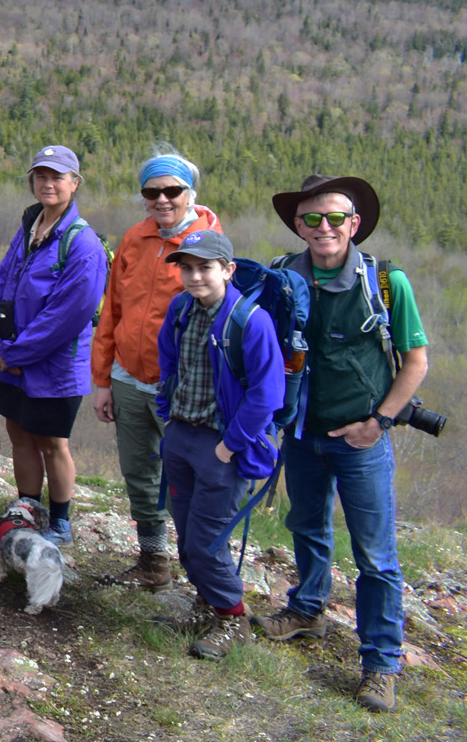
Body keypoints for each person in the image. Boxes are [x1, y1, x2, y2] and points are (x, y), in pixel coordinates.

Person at [252, 175, 429, 715]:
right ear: (298, 225)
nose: (323, 228)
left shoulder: (386, 282)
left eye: (335, 218)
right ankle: (307, 610)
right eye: (311, 219)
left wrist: (378, 422)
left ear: (354, 224)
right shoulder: (282, 278)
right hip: (301, 435)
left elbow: (415, 361)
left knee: (376, 556)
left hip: (361, 440)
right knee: (306, 526)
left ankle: (380, 663)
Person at [92, 147, 222, 588]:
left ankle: (204, 576)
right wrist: (102, 379)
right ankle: (153, 562)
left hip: (182, 389)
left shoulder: (208, 244)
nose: (162, 200)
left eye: (172, 190)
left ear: (190, 192)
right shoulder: (134, 239)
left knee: (187, 480)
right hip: (128, 378)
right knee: (138, 473)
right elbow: (112, 310)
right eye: (152, 192)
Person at [152, 230, 283, 661]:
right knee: (187, 534)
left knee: (207, 540)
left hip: (221, 446)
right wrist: (167, 412)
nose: (194, 277)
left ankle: (233, 618)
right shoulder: (180, 310)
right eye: (186, 268)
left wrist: (229, 447)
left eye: (205, 268)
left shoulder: (251, 320)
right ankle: (207, 604)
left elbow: (267, 394)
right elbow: (169, 362)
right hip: (181, 436)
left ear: (228, 270)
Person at [0, 145, 109, 545]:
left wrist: (15, 353)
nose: (48, 183)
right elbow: (1, 284)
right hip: (12, 357)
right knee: (18, 431)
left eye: (57, 176)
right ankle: (26, 511)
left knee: (53, 442)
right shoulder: (30, 225)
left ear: (74, 183)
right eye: (41, 175)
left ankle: (59, 525)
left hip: (54, 366)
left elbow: (67, 316)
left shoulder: (83, 244)